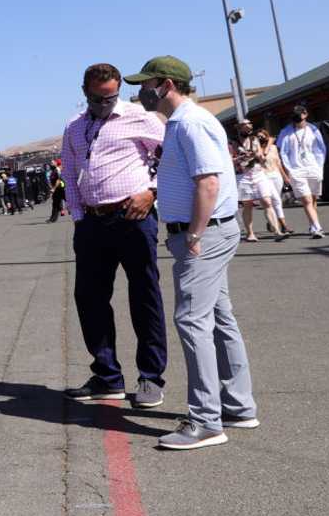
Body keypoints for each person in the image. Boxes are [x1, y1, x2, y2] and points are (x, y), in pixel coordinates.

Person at [128, 55, 258, 450]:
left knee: (191, 320)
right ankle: (238, 404)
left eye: (145, 85)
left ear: (165, 84)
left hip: (203, 234)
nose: (140, 93)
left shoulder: (188, 122)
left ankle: (206, 420)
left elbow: (208, 183)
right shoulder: (188, 122)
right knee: (218, 318)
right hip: (210, 232)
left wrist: (196, 235)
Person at [61, 63, 168, 408]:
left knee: (144, 296)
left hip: (133, 216)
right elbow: (70, 171)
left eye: (111, 97)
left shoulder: (140, 117)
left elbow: (172, 159)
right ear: (85, 93)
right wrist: (79, 218)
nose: (105, 104)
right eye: (98, 98)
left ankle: (151, 378)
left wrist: (151, 191)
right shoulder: (74, 127)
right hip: (92, 222)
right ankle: (107, 376)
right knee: (89, 299)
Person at [231, 119, 286, 243]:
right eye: (245, 125)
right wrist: (240, 158)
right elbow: (229, 160)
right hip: (243, 176)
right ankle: (250, 233)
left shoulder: (254, 140)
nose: (249, 126)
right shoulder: (232, 143)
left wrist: (260, 156)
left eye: (250, 124)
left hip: (258, 172)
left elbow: (261, 157)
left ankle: (277, 231)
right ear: (239, 128)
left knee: (267, 201)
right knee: (248, 205)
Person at [277, 104, 327, 239]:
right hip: (296, 170)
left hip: (313, 168)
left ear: (305, 114)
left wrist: (319, 166)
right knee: (306, 199)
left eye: (299, 114)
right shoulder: (285, 132)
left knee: (313, 199)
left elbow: (320, 149)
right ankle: (317, 228)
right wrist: (287, 171)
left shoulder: (313, 130)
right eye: (294, 114)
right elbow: (281, 152)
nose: (296, 116)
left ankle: (312, 224)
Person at [258, 128, 293, 234]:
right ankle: (283, 225)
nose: (262, 138)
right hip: (264, 177)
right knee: (273, 201)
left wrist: (285, 177)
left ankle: (271, 221)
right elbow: (263, 156)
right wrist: (269, 143)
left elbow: (278, 163)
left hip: (276, 175)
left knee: (275, 201)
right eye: (259, 137)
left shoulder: (273, 148)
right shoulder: (257, 148)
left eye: (263, 136)